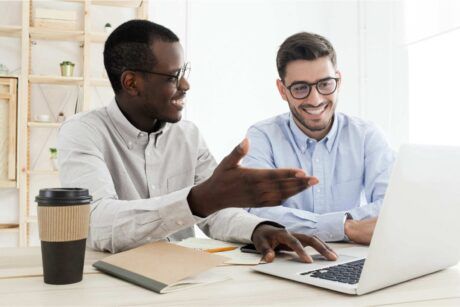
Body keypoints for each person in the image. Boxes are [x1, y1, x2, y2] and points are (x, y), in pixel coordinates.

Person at [57, 20, 337, 263]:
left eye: (185, 71)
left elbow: (216, 213)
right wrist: (196, 201)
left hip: (183, 280)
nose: (185, 85)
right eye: (173, 76)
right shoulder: (82, 132)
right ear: (131, 83)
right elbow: (99, 222)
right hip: (110, 285)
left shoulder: (187, 135)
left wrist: (260, 229)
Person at [242, 32, 395, 245]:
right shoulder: (263, 137)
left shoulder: (367, 135)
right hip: (288, 259)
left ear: (338, 81)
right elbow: (256, 212)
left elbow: (391, 208)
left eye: (325, 84)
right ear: (282, 90)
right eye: (300, 88)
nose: (315, 99)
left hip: (353, 257)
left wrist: (335, 227)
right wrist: (347, 228)